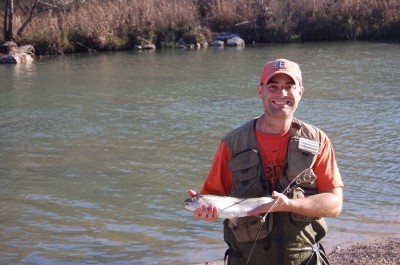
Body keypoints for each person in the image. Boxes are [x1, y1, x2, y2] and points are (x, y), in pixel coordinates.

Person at [188, 58, 343, 265]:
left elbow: (334, 204)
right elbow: (214, 198)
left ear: (301, 91)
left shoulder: (318, 141)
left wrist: (290, 205)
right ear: (260, 90)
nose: (282, 93)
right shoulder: (232, 143)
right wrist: (206, 211)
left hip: (305, 260)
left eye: (289, 86)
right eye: (273, 86)